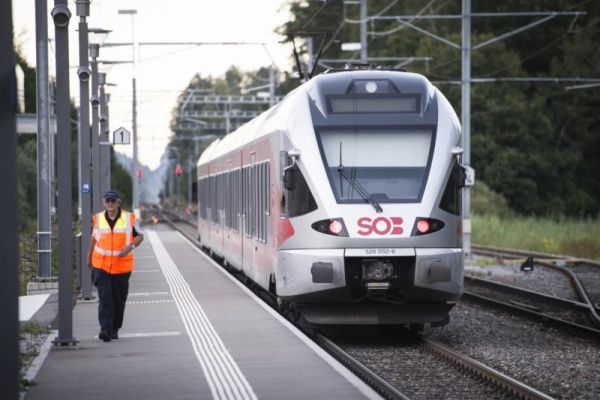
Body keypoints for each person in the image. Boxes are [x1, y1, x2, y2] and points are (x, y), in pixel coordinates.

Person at [87, 190, 144, 342]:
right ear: (104, 202)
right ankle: (105, 328)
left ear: (118, 202)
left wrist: (129, 248)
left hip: (121, 267)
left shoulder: (129, 218)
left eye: (113, 200)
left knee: (119, 300)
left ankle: (115, 328)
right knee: (105, 298)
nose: (110, 203)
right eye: (108, 201)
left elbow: (140, 236)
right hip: (102, 265)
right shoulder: (98, 219)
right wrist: (89, 257)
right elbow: (94, 240)